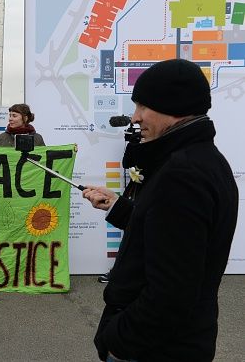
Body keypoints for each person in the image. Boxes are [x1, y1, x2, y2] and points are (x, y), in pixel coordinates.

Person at [82, 59, 238, 362]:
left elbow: (171, 293)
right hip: (175, 342)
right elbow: (164, 235)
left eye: (142, 106)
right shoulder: (199, 160)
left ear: (173, 107)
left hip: (154, 349)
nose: (135, 116)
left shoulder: (183, 175)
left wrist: (118, 340)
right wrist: (117, 206)